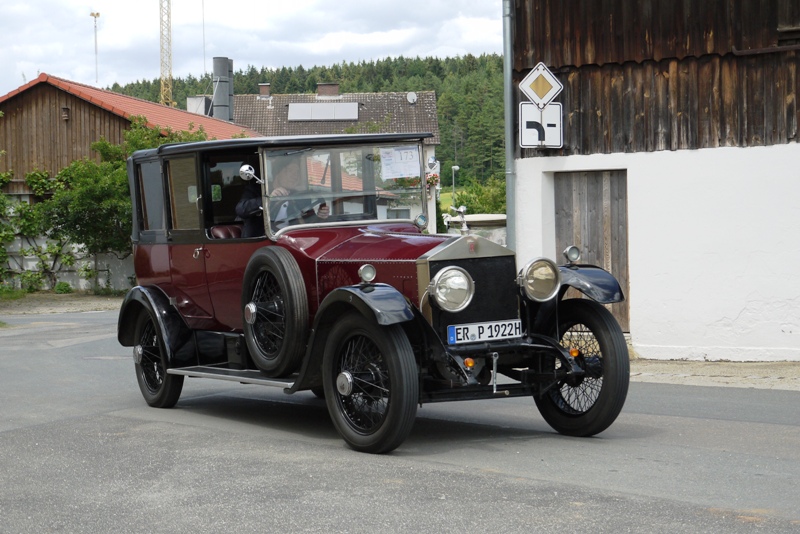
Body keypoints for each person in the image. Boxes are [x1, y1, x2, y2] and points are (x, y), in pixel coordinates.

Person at [235, 158, 329, 237]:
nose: (295, 175)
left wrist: (320, 217)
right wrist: (269, 199)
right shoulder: (257, 190)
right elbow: (241, 209)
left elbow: (308, 223)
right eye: (289, 170)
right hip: (262, 242)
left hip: (293, 242)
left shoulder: (301, 197)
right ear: (278, 173)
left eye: (297, 172)